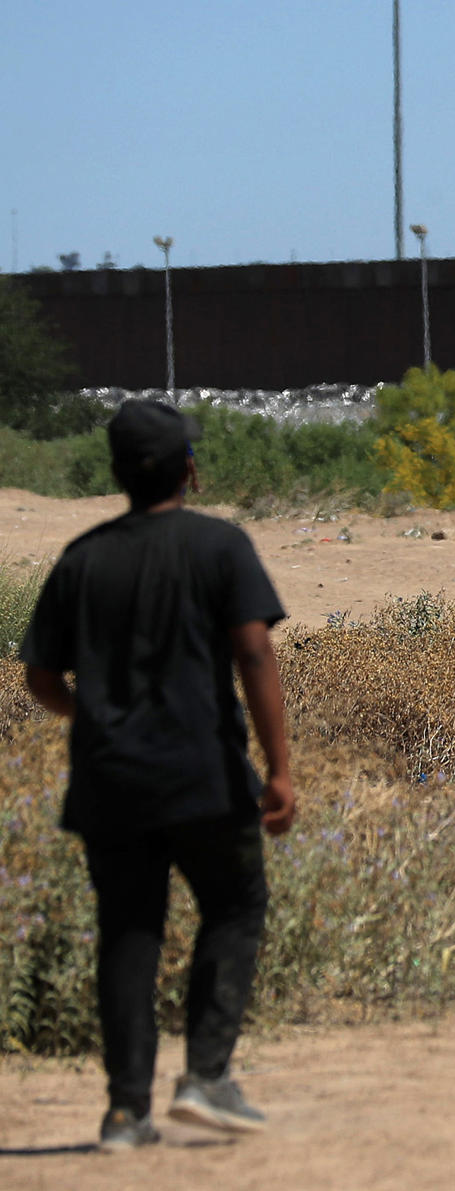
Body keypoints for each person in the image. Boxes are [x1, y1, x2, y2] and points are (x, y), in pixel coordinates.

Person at [21, 400, 296, 1152]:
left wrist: (89, 716)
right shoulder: (220, 546)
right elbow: (254, 653)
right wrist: (279, 768)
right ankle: (206, 1074)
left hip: (111, 783)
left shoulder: (83, 557)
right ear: (190, 468)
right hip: (205, 773)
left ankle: (123, 1112)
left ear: (115, 474)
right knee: (235, 906)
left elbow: (40, 675)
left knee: (128, 935)